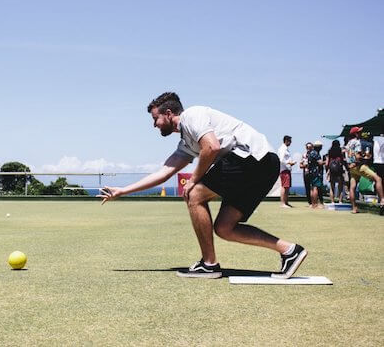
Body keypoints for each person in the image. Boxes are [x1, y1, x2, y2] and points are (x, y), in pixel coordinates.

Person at [97, 92, 307, 279]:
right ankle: (289, 250)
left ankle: (209, 264)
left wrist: (193, 180)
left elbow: (211, 147)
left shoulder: (192, 115)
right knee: (225, 228)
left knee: (194, 194)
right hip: (264, 166)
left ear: (168, 113)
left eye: (155, 119)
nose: (154, 125)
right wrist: (123, 191)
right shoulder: (187, 143)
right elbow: (164, 173)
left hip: (252, 158)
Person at [345, 126, 384, 213]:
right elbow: (358, 156)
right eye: (359, 132)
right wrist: (365, 157)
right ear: (355, 134)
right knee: (378, 179)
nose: (360, 133)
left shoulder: (348, 143)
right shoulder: (357, 142)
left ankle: (354, 208)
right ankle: (382, 200)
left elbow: (347, 155)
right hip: (359, 166)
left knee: (352, 187)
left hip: (351, 168)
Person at [277, 135, 296, 208]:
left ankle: (286, 202)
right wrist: (289, 163)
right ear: (286, 141)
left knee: (287, 187)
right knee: (284, 186)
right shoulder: (283, 149)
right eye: (290, 141)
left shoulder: (285, 149)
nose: (291, 143)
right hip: (284, 170)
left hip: (287, 169)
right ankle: (282, 203)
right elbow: (281, 160)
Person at [307, 141, 325, 209]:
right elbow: (320, 163)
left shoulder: (310, 153)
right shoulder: (316, 153)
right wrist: (326, 161)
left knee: (312, 188)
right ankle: (315, 204)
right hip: (316, 173)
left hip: (311, 172)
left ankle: (313, 204)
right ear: (319, 147)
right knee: (315, 188)